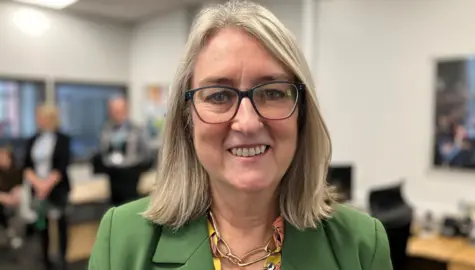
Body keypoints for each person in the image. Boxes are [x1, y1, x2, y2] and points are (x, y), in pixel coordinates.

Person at [89, 1, 393, 270]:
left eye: (273, 92)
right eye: (219, 96)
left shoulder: (362, 244)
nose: (247, 123)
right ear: (187, 119)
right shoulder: (123, 240)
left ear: (302, 114)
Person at [24, 104, 71, 270]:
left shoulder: (63, 139)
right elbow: (27, 166)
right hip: (38, 191)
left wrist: (46, 185)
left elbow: (62, 166)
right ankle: (45, 260)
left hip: (57, 189)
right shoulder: (32, 140)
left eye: (40, 116)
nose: (38, 120)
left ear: (49, 118)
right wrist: (38, 184)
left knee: (61, 225)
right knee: (42, 225)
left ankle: (62, 258)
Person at [99, 96, 150, 207]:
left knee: (129, 206)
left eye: (119, 110)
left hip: (131, 174)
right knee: (115, 207)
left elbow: (146, 153)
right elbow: (103, 151)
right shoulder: (107, 129)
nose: (116, 113)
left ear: (126, 110)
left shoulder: (136, 129)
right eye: (114, 111)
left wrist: (136, 165)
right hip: (113, 174)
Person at [0, 146, 23, 249]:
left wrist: (16, 192)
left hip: (14, 200)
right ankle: (9, 232)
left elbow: (20, 186)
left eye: (4, 157)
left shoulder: (18, 171)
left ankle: (10, 232)